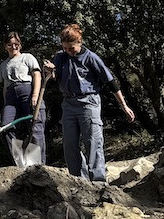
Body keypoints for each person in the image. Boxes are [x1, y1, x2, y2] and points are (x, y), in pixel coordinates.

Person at [51, 23, 135, 182]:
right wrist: (50, 71)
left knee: (93, 143)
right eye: (65, 48)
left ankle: (98, 183)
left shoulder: (91, 58)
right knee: (69, 145)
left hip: (88, 103)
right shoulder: (60, 57)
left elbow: (111, 82)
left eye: (72, 48)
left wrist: (124, 106)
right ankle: (78, 181)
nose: (69, 52)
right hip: (68, 103)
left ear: (79, 42)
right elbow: (56, 77)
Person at [0, 31, 45, 165]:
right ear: (5, 46)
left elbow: (37, 75)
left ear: (20, 45)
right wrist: (5, 104)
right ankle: (20, 162)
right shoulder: (4, 64)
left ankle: (39, 165)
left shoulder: (27, 57)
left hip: (27, 90)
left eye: (16, 44)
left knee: (35, 127)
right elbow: (5, 87)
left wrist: (35, 95)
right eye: (10, 44)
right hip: (11, 96)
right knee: (5, 127)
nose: (13, 47)